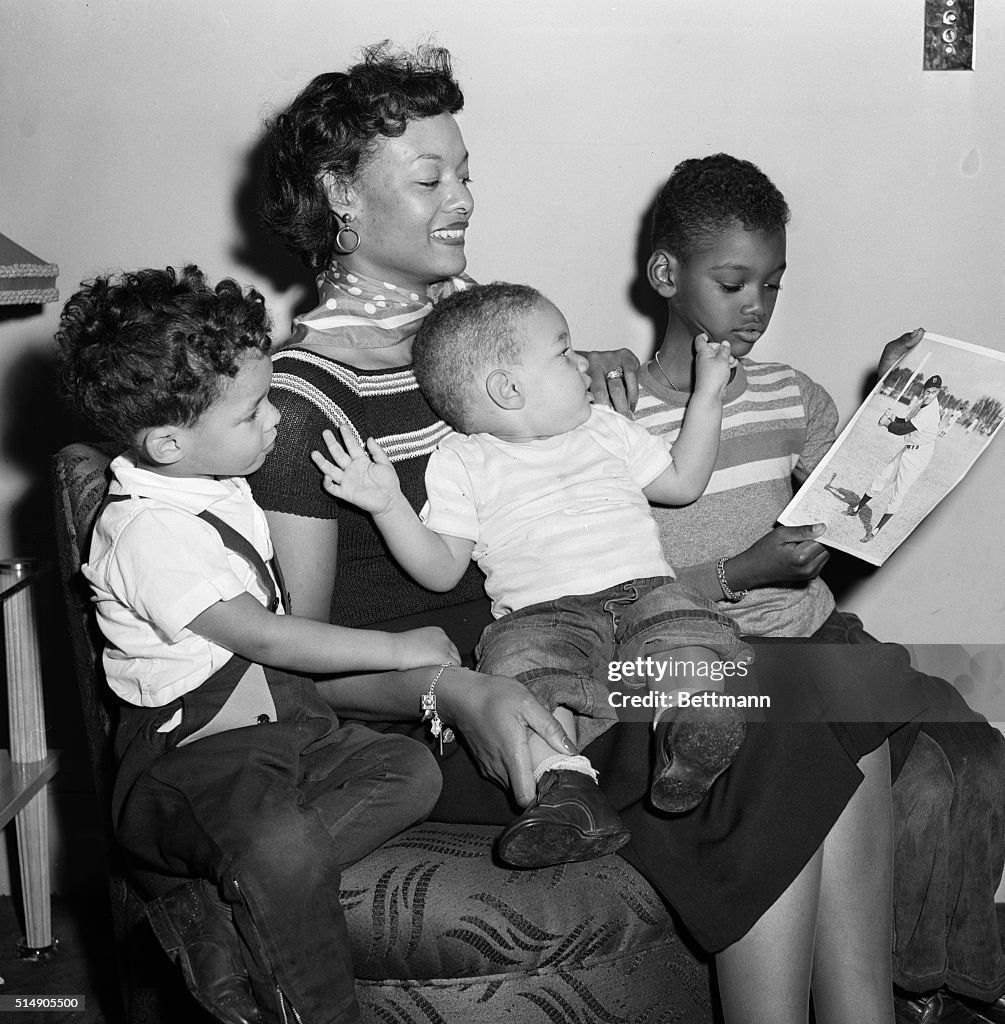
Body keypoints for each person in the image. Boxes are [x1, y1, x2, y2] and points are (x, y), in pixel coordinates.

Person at [252, 41, 915, 1024]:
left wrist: (885, 414)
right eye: (431, 176)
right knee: (764, 711)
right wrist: (451, 686)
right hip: (470, 711)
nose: (463, 197)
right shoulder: (302, 402)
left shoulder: (487, 340)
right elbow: (293, 675)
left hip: (584, 638)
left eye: (466, 171)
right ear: (340, 194)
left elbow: (618, 451)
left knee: (834, 661)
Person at [628, 152, 1005, 1024]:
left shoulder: (791, 398)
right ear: (665, 275)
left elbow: (838, 532)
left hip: (791, 653)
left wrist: (904, 404)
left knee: (910, 707)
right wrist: (735, 574)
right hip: (662, 664)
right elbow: (591, 589)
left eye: (772, 284)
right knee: (845, 689)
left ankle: (882, 1003)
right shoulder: (609, 409)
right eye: (732, 282)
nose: (755, 305)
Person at [57, 265, 461, 1024]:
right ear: (169, 442)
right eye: (251, 414)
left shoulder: (213, 482)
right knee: (276, 844)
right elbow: (265, 635)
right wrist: (400, 649)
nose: (274, 420)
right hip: (193, 758)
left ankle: (207, 906)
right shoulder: (144, 530)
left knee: (406, 768)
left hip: (284, 732)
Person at [312, 281, 753, 869]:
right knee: (527, 677)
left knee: (683, 636)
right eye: (564, 351)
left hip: (646, 592)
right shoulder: (464, 461)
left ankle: (692, 733)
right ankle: (566, 792)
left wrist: (710, 394)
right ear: (507, 389)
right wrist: (387, 504)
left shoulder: (606, 428)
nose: (581, 362)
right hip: (541, 618)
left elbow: (682, 481)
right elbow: (442, 569)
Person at [843, 373, 945, 542]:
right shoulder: (921, 404)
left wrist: (886, 424)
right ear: (923, 391)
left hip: (920, 455)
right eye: (927, 391)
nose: (929, 395)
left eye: (933, 392)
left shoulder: (931, 411)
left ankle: (875, 530)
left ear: (937, 393)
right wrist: (892, 418)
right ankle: (857, 508)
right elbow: (904, 421)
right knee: (883, 477)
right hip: (909, 449)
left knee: (899, 491)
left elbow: (901, 430)